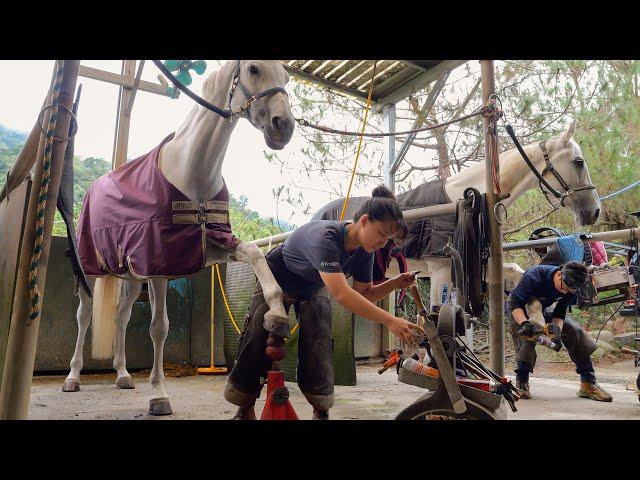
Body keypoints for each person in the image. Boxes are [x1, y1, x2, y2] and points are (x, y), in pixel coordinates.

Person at [224, 185, 424, 419]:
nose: (383, 243)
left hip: (312, 286)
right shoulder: (326, 237)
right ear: (365, 221)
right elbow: (341, 294)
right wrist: (391, 321)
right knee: (257, 336)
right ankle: (244, 405)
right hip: (278, 275)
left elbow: (365, 293)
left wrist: (394, 283)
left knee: (319, 338)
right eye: (381, 233)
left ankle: (321, 409)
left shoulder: (365, 252)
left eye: (387, 239)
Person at [507, 261, 613, 402]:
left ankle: (588, 383)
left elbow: (560, 311)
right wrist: (525, 324)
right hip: (520, 308)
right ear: (559, 274)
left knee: (574, 331)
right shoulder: (534, 277)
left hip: (544, 308)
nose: (565, 292)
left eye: (569, 291)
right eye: (564, 288)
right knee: (528, 338)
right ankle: (522, 383)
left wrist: (556, 332)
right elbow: (515, 302)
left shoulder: (571, 288)